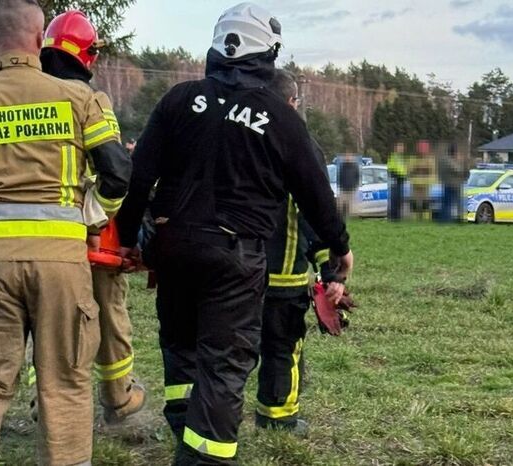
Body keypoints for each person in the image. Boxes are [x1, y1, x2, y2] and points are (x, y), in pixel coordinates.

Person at [114, 3, 353, 464]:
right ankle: (203, 457)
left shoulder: (178, 100)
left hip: (173, 246)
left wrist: (128, 236)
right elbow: (316, 196)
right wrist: (338, 249)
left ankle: (185, 433)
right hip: (234, 257)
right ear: (268, 54)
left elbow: (139, 176)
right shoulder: (281, 118)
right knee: (224, 365)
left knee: (182, 347)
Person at [0, 1, 131, 464]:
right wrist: (91, 217)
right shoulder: (79, 100)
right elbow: (117, 173)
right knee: (64, 383)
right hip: (61, 264)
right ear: (40, 40)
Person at [36, 9, 146, 425]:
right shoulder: (88, 101)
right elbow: (116, 171)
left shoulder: (25, 95)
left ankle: (42, 403)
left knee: (46, 324)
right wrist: (98, 218)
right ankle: (118, 398)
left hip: (37, 236)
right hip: (88, 236)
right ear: (85, 55)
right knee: (107, 312)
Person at [255, 70, 334, 435]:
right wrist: (329, 270)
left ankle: (205, 415)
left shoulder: (237, 136)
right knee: (283, 346)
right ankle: (278, 418)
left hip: (234, 268)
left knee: (226, 348)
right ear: (291, 103)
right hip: (283, 271)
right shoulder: (301, 144)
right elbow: (317, 211)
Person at [436, 142, 470, 222]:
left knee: (446, 203)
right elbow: (458, 170)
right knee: (453, 203)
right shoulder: (449, 160)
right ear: (453, 152)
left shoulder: (442, 159)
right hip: (453, 184)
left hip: (447, 183)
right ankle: (449, 219)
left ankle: (445, 218)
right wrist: (461, 162)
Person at [408, 140, 435, 220]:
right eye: (421, 149)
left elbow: (433, 173)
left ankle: (426, 219)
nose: (422, 151)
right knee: (414, 203)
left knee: (425, 203)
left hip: (425, 186)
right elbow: (409, 172)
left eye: (424, 149)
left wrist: (428, 181)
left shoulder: (430, 160)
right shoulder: (413, 159)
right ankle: (415, 219)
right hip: (415, 186)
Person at [387, 142, 407, 220]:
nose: (401, 149)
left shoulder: (402, 158)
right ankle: (393, 217)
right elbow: (390, 168)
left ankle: (398, 217)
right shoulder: (393, 157)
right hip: (395, 181)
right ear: (396, 148)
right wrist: (396, 176)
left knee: (399, 200)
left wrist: (404, 176)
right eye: (399, 147)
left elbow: (404, 169)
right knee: (394, 200)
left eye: (402, 147)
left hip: (401, 181)